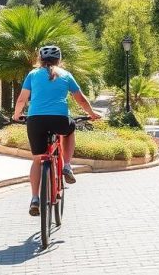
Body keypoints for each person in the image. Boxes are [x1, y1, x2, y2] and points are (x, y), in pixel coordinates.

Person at [13, 45, 101, 216]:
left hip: (36, 120)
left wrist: (17, 115)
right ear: (59, 60)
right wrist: (92, 114)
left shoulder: (32, 75)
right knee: (69, 130)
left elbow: (22, 99)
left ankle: (34, 198)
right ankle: (67, 165)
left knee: (37, 159)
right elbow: (81, 100)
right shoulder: (66, 75)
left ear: (40, 59)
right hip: (59, 120)